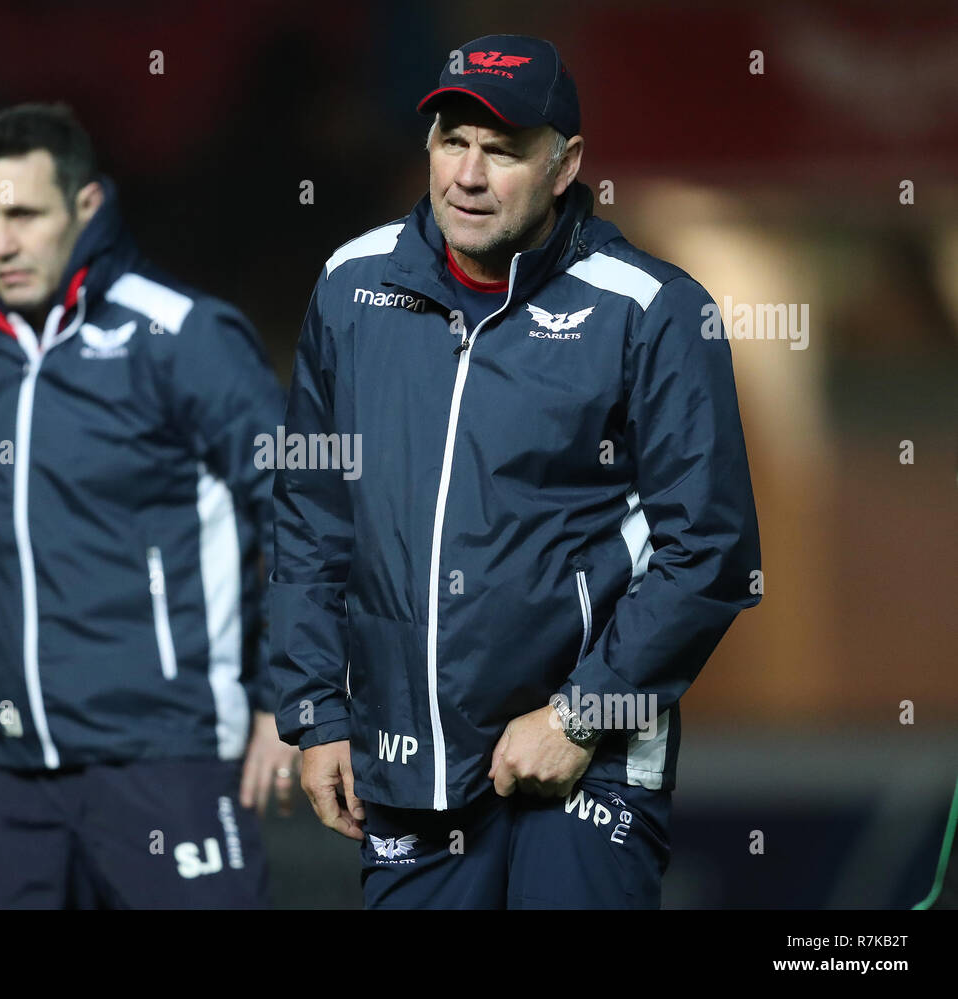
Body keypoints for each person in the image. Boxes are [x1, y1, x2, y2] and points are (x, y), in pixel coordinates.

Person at [270, 35, 762, 908]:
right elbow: (312, 514)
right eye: (452, 142)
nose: (468, 173)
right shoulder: (352, 287)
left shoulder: (650, 310)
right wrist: (315, 712)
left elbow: (713, 552)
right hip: (406, 763)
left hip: (586, 764)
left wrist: (581, 716)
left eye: (501, 151)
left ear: (566, 163)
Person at [0, 102, 297, 908]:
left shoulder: (181, 336)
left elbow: (302, 509)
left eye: (23, 213)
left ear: (87, 206)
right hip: (18, 769)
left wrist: (290, 696)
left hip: (168, 751)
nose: (2, 242)